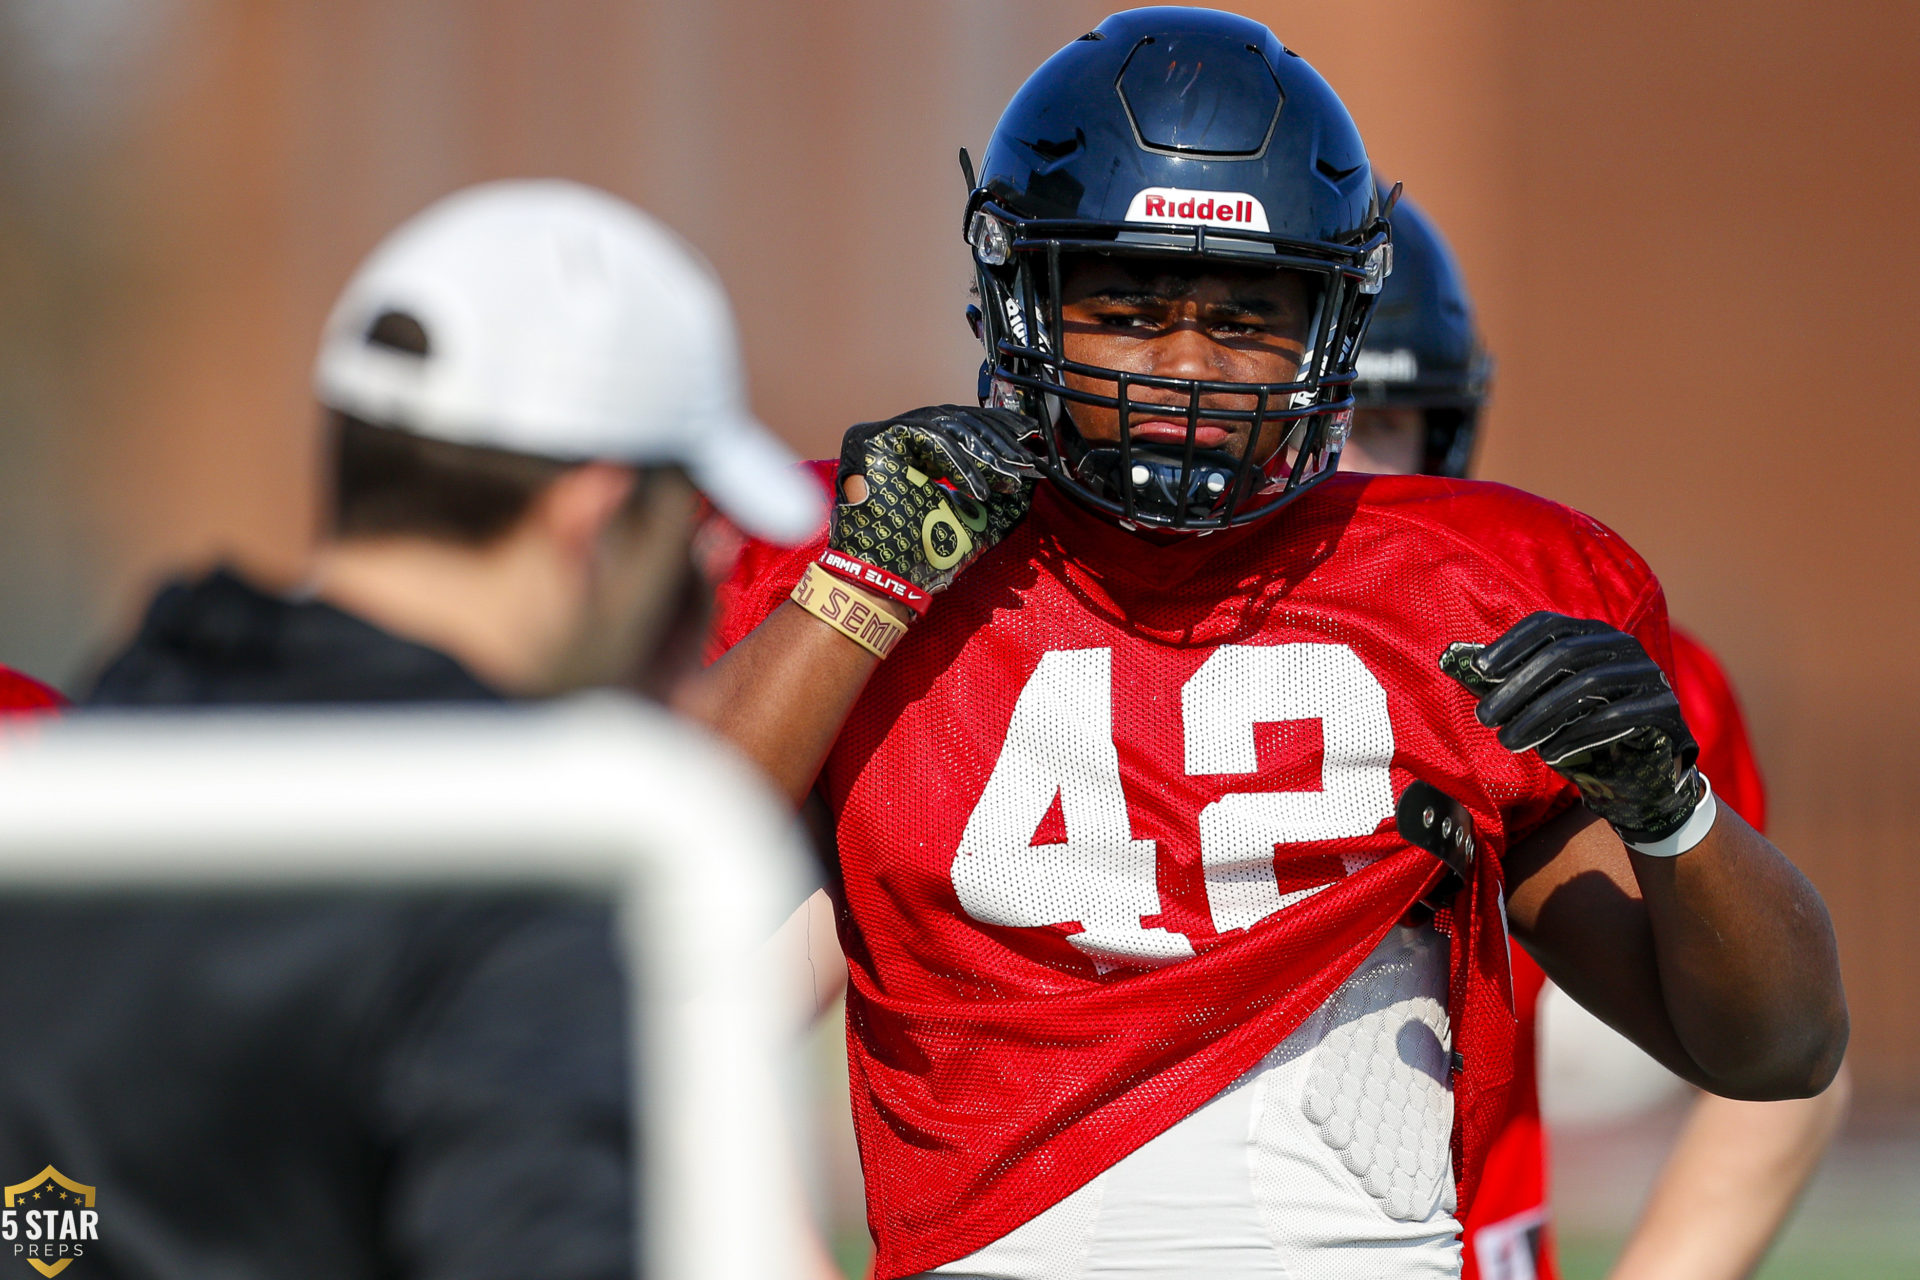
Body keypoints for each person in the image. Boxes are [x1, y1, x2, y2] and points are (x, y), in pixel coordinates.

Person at [694, 10, 1847, 1279]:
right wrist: (858, 587)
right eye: (1130, 308)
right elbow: (635, 888)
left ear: (1329, 332)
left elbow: (1779, 1052)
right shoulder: (881, 564)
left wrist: (1672, 811)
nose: (1187, 371)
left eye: (1245, 323)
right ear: (1023, 300)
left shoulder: (1463, 587)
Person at [0, 179, 820, 1280]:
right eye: (693, 530)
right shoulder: (524, 873)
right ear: (596, 519)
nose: (714, 573)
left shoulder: (111, 732)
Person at [1348, 192, 1850, 1280]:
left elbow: (1783, 1053)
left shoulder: (1577, 674)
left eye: (1380, 422)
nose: (1346, 470)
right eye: (1319, 419)